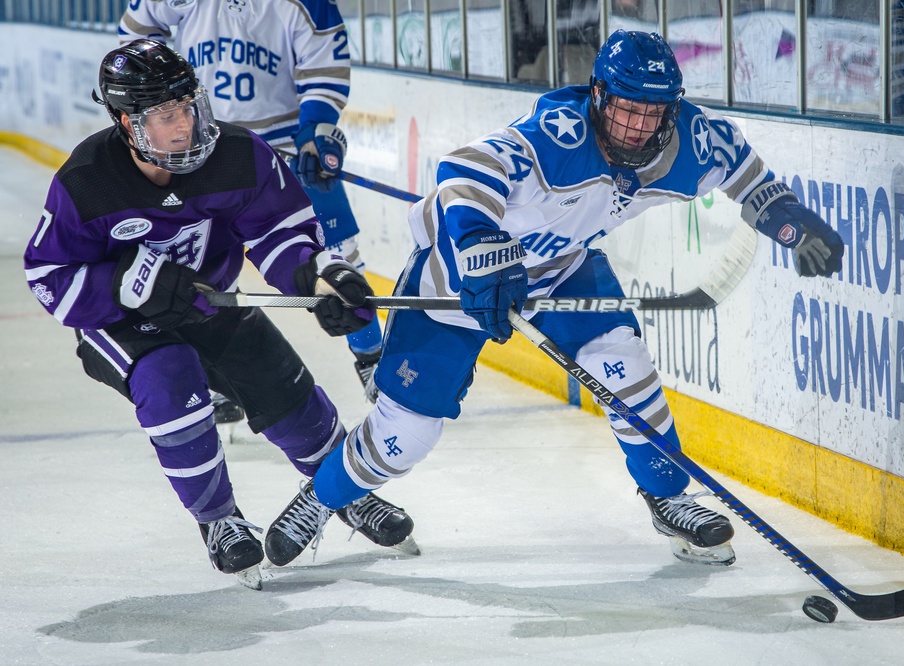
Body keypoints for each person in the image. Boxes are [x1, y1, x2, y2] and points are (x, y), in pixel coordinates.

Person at [266, 29, 846, 568]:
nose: (638, 126)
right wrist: (486, 248)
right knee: (404, 436)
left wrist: (791, 223)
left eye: (653, 112)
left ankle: (669, 499)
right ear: (598, 95)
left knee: (626, 370)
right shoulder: (556, 133)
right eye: (625, 108)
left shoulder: (690, 141)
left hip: (565, 271)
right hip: (456, 281)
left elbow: (749, 176)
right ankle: (323, 497)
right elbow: (461, 172)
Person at [22, 40, 416, 589]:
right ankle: (219, 520)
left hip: (208, 300)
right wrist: (129, 284)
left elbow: (280, 231)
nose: (183, 124)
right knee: (169, 376)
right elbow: (48, 277)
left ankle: (344, 492)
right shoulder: (86, 181)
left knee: (282, 384)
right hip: (119, 325)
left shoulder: (236, 154)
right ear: (126, 121)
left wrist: (316, 277)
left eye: (186, 106)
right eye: (163, 115)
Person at [118, 0, 384, 413]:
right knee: (197, 258)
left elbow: (324, 65)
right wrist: (166, 94)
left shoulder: (303, 4)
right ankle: (221, 374)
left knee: (336, 252)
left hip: (283, 143)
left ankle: (372, 358)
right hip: (196, 145)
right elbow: (137, 32)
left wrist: (315, 127)